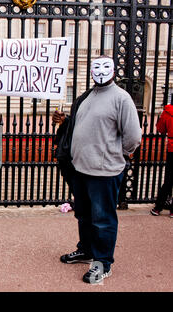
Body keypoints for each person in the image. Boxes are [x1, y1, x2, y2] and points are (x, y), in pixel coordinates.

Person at [52, 56, 141, 284]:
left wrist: (115, 154)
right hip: (81, 169)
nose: (100, 72)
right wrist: (65, 121)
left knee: (103, 219)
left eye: (104, 68)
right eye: (96, 68)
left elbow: (132, 137)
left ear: (112, 71)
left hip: (104, 173)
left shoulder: (121, 98)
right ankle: (86, 250)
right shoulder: (87, 97)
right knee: (83, 215)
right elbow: (83, 125)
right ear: (91, 71)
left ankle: (103, 263)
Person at [151, 102, 173, 218]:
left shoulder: (167, 112)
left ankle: (158, 207)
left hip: (172, 147)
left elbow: (160, 128)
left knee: (168, 179)